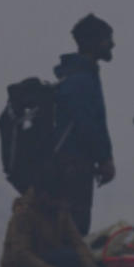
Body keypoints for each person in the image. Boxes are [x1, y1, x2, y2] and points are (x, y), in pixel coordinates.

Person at [0, 161, 105, 267]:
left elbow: (78, 244)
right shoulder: (24, 214)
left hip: (48, 264)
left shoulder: (59, 211)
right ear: (43, 195)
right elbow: (22, 256)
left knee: (80, 258)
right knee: (66, 258)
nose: (62, 202)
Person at [54, 14, 116, 235]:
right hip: (75, 164)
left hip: (73, 163)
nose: (113, 44)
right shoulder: (81, 80)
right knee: (74, 228)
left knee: (71, 227)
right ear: (93, 42)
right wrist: (104, 158)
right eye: (108, 39)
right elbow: (87, 124)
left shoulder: (78, 75)